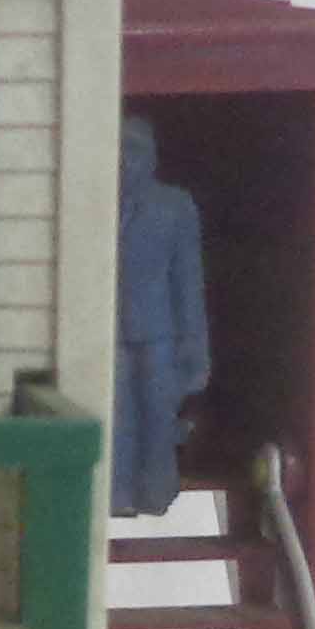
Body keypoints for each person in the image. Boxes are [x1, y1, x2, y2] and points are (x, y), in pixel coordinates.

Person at [112, 113, 210, 517]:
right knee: (118, 415)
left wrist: (195, 347)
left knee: (158, 414)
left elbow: (188, 280)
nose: (126, 160)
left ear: (152, 157)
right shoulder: (96, 202)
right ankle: (117, 493)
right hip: (111, 333)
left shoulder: (174, 207)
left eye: (135, 150)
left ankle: (156, 491)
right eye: (120, 150)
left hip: (159, 333)